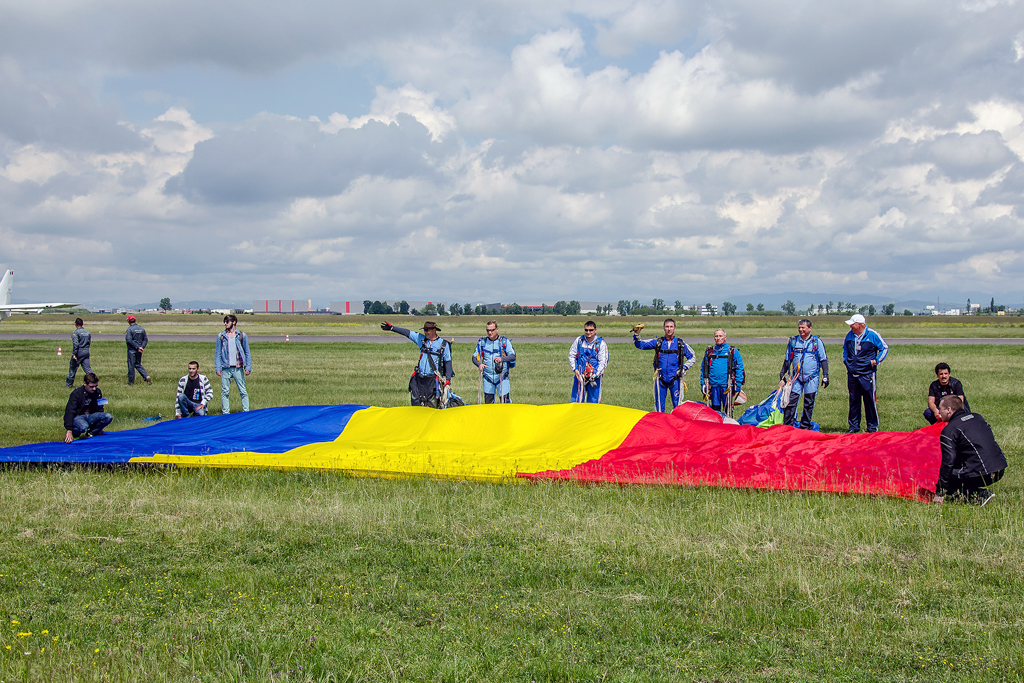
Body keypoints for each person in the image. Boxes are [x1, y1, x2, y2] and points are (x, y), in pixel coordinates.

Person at [933, 396, 1007, 506]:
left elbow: (948, 462)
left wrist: (940, 492)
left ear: (949, 410)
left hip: (984, 473)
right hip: (1000, 468)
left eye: (940, 409)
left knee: (945, 478)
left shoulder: (949, 430)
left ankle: (979, 494)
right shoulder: (978, 417)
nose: (939, 412)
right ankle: (960, 496)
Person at [381, 320, 453, 407]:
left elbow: (448, 361)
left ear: (434, 330)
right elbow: (408, 333)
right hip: (419, 378)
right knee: (416, 401)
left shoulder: (443, 345)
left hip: (433, 379)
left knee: (432, 403)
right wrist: (392, 328)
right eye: (424, 330)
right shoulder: (421, 340)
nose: (425, 332)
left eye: (427, 330)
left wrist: (448, 379)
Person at [633, 318, 695, 412]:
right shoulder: (658, 342)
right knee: (659, 407)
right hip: (660, 379)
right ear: (663, 328)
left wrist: (684, 368)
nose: (669, 329)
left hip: (676, 379)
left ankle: (677, 426)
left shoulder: (680, 344)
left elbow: (692, 356)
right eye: (667, 327)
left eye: (671, 327)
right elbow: (640, 345)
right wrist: (637, 334)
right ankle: (660, 426)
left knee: (678, 407)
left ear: (674, 328)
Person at [778, 319, 829, 429]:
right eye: (799, 327)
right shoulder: (793, 341)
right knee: (791, 402)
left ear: (810, 328)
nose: (801, 330)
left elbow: (823, 359)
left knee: (809, 403)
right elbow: (788, 359)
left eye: (803, 328)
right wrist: (783, 371)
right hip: (796, 378)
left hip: (811, 378)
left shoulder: (816, 342)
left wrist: (826, 375)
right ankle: (788, 426)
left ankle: (805, 425)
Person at [842, 314, 888, 433]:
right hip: (852, 373)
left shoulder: (872, 335)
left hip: (867, 373)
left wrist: (876, 361)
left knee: (869, 400)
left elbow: (884, 348)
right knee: (853, 400)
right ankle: (853, 426)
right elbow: (845, 349)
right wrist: (846, 361)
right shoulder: (850, 335)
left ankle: (872, 427)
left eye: (853, 324)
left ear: (860, 325)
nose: (851, 326)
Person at [700, 329, 745, 416]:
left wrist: (738, 385)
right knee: (715, 411)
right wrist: (703, 384)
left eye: (720, 336)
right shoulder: (710, 351)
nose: (718, 338)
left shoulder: (732, 351)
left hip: (727, 386)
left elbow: (740, 368)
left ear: (725, 337)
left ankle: (728, 428)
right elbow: (703, 368)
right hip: (714, 386)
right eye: (716, 336)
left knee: (727, 410)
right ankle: (716, 428)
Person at [215, 314, 252, 414]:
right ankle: (226, 413)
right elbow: (217, 353)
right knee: (225, 391)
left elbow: (247, 352)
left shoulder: (241, 336)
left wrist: (248, 367)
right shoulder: (221, 336)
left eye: (227, 321)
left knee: (243, 390)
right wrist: (218, 368)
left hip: (238, 367)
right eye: (224, 322)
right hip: (226, 368)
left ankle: (246, 411)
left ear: (234, 322)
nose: (225, 323)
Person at [472, 320, 516, 404]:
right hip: (487, 378)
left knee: (505, 403)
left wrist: (502, 359)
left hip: (502, 377)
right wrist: (479, 364)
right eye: (487, 330)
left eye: (492, 330)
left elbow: (513, 356)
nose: (489, 332)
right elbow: (474, 357)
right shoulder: (482, 342)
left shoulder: (504, 342)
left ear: (497, 329)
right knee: (489, 404)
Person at [64, 372, 112, 442]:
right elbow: (70, 411)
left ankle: (91, 433)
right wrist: (69, 430)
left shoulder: (98, 392)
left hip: (91, 416)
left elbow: (101, 407)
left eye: (96, 386)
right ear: (84, 384)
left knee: (108, 417)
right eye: (91, 386)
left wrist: (100, 427)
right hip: (79, 417)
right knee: (84, 427)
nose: (94, 389)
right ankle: (75, 433)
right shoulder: (76, 394)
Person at [568, 321, 608, 403]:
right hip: (580, 376)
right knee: (576, 401)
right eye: (586, 330)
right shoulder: (579, 341)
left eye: (591, 330)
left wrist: (595, 375)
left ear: (595, 330)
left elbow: (603, 362)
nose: (588, 332)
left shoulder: (601, 343)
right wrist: (575, 370)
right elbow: (571, 355)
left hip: (594, 378)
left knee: (593, 402)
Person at [125, 314, 152, 385]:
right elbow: (145, 339)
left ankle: (131, 382)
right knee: (138, 364)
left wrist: (137, 347)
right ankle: (146, 376)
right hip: (139, 350)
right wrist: (141, 347)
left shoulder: (129, 329)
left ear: (128, 321)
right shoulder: (141, 329)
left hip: (132, 350)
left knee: (131, 366)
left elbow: (129, 340)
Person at [66, 317, 92, 388]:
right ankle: (93, 381)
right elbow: (89, 342)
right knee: (88, 369)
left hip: (79, 352)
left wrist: (74, 353)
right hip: (86, 351)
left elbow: (76, 344)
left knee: (72, 369)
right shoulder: (87, 332)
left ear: (75, 324)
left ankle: (69, 385)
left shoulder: (75, 333)